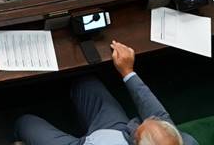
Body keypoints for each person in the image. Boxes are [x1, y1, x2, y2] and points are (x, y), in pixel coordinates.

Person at [14, 42, 193, 145]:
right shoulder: (181, 142)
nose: (145, 119)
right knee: (85, 82)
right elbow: (160, 117)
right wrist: (127, 71)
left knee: (25, 122)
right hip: (114, 128)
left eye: (139, 128)